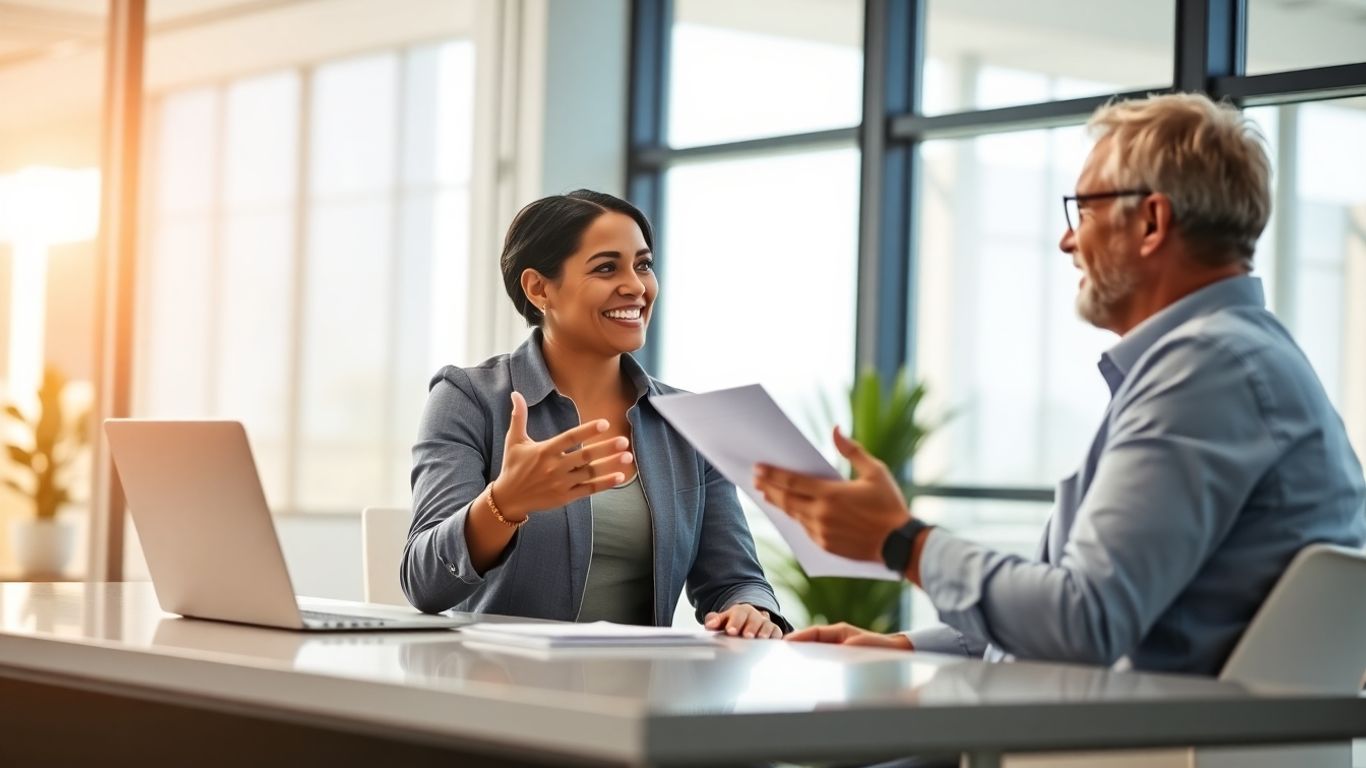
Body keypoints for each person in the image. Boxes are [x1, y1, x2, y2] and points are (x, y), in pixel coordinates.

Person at [754, 92, 1366, 674]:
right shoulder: (1235, 358)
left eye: (1086, 210)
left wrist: (901, 542)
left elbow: (1086, 620)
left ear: (1152, 222)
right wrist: (909, 647)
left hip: (1124, 732)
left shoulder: (1206, 371)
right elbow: (1079, 608)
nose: (1067, 239)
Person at [403, 189, 788, 638]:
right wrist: (504, 503)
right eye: (606, 268)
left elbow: (736, 580)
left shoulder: (691, 423)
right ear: (539, 288)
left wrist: (749, 610)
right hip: (500, 676)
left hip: (641, 680)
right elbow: (423, 583)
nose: (636, 286)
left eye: (643, 265)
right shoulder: (468, 398)